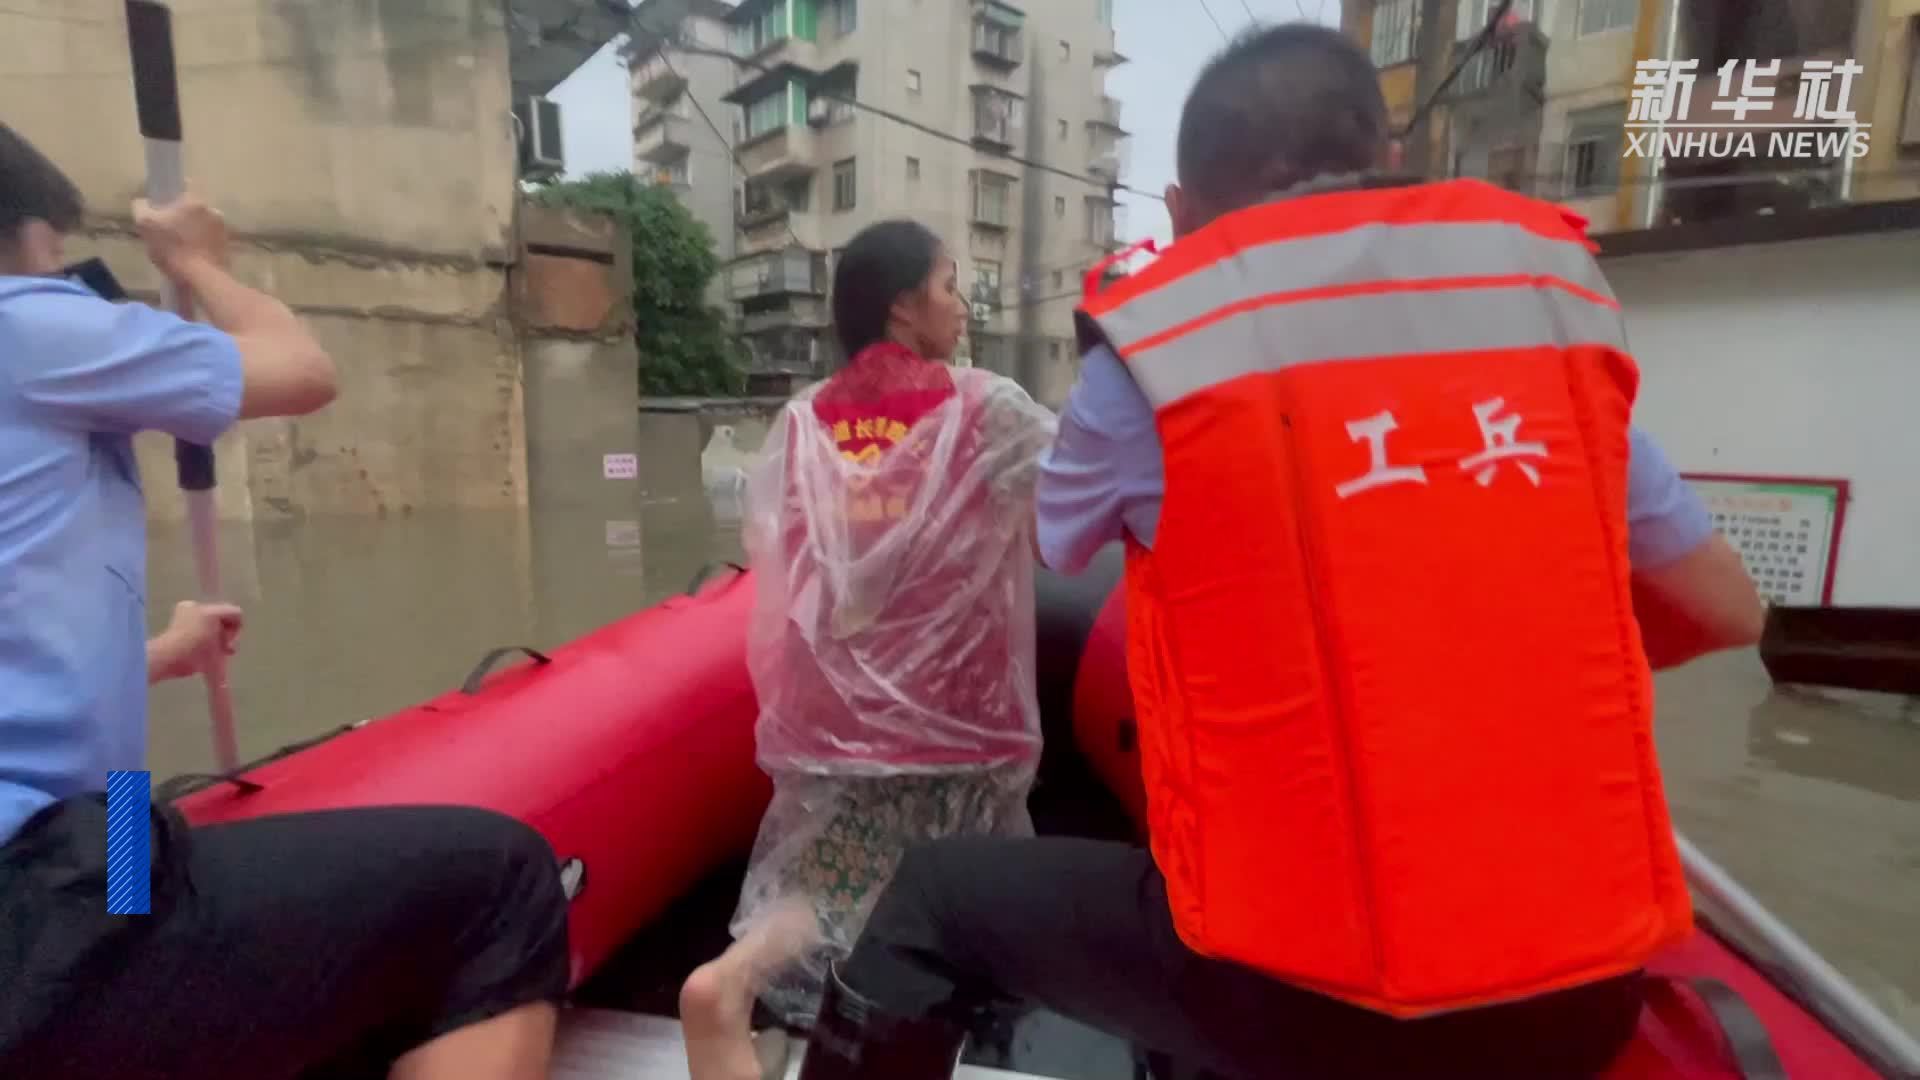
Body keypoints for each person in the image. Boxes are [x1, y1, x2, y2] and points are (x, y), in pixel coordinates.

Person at [760, 24, 1769, 1080]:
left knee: (929, 899)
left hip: (1297, 991)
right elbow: (1724, 607)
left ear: (1184, 214)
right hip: (1580, 993)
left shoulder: (1161, 350)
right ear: (1384, 167)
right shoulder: (1541, 330)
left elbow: (1063, 538)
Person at [0, 123, 570, 1080]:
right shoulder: (25, 325)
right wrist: (198, 265)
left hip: (93, 824)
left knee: (143, 822)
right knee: (502, 881)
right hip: (39, 902)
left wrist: (154, 655)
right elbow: (302, 370)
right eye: (53, 261)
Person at [680, 220, 1057, 1079]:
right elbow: (1071, 523)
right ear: (903, 304)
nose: (961, 307)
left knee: (831, 883)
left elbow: (789, 570)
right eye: (950, 286)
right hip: (960, 735)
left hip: (831, 726)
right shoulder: (984, 407)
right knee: (973, 892)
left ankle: (734, 978)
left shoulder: (804, 421)